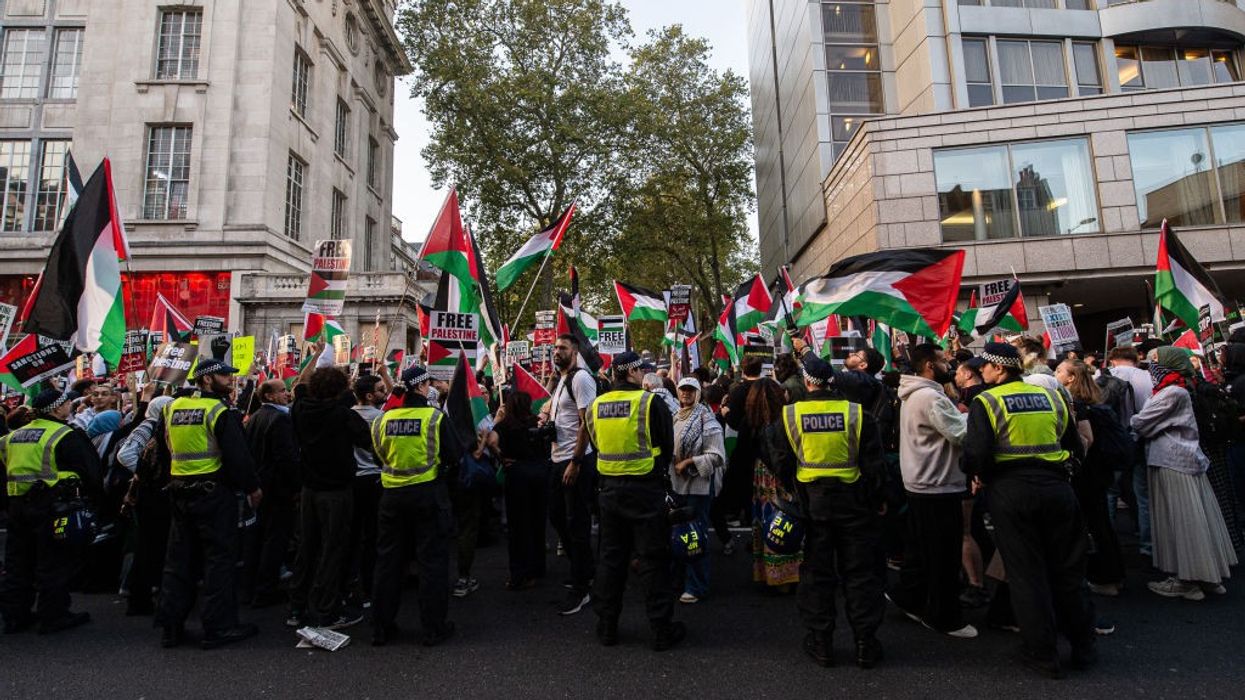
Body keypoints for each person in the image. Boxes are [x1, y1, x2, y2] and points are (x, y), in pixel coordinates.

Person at [963, 343, 1095, 678]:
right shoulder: (1053, 397)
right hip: (1057, 488)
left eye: (986, 368)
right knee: (1068, 571)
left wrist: (976, 473)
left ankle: (1043, 654)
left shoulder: (987, 401)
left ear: (1000, 369)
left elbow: (976, 454)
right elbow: (1073, 444)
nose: (983, 373)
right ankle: (1083, 647)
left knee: (1026, 574)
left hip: (1012, 491)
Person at [763, 353, 887, 669]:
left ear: (807, 382)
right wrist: (876, 500)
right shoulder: (857, 414)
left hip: (811, 507)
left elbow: (780, 462)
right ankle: (864, 643)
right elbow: (874, 466)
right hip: (855, 505)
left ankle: (822, 644)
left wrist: (796, 491)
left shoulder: (790, 416)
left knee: (818, 577)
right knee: (860, 575)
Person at [156, 359, 263, 649]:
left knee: (178, 561)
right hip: (213, 493)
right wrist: (252, 487)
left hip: (179, 491)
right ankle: (219, 627)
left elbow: (163, 450)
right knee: (219, 560)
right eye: (223, 376)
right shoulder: (219, 410)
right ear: (205, 380)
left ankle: (171, 626)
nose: (230, 380)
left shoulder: (171, 408)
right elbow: (237, 456)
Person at [585, 351, 682, 650]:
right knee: (653, 560)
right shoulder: (650, 402)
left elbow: (595, 444)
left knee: (611, 561)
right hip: (645, 491)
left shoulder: (595, 406)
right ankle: (661, 630)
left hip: (610, 492)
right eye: (641, 370)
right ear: (633, 372)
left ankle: (607, 627)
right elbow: (667, 446)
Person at [1132, 347, 1237, 600]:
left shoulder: (1172, 392)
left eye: (1156, 360)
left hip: (1173, 459)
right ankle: (1207, 576)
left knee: (1180, 520)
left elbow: (1140, 422)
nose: (1151, 365)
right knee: (1195, 518)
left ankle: (1187, 579)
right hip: (1184, 459)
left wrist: (1136, 422)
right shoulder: (1180, 388)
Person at [370, 365, 462, 647]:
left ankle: (381, 628)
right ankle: (433, 628)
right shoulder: (434, 418)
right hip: (427, 495)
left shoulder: (382, 420)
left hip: (392, 498)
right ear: (423, 387)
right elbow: (455, 455)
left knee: (388, 563)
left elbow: (378, 458)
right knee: (431, 563)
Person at [889, 344, 976, 639]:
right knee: (943, 556)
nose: (947, 363)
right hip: (937, 485)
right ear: (928, 365)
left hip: (922, 482)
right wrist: (980, 417)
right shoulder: (929, 397)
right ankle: (943, 616)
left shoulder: (917, 394)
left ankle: (910, 597)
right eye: (941, 360)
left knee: (922, 551)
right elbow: (961, 434)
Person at [1, 388, 102, 634]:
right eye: (67, 403)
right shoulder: (65, 435)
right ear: (57, 408)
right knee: (53, 561)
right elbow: (91, 472)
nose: (70, 406)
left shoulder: (12, 436)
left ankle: (16, 616)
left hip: (17, 506)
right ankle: (53, 615)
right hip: (52, 506)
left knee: (18, 562)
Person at [287, 358, 372, 630]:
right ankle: (327, 610)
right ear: (340, 390)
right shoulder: (343, 415)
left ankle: (297, 608)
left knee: (307, 549)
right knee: (333, 550)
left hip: (309, 488)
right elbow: (368, 441)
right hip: (337, 490)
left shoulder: (300, 408)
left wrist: (315, 356)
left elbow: (299, 384)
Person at [544, 333, 598, 616]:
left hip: (574, 460)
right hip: (557, 459)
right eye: (555, 347)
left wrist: (576, 461)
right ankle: (584, 569)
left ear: (574, 352)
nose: (556, 351)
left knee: (576, 523)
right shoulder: (562, 381)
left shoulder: (580, 379)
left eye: (562, 348)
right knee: (557, 516)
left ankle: (583, 589)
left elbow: (586, 423)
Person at [242, 379, 301, 608]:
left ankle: (252, 587)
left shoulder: (256, 417)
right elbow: (286, 458)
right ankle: (266, 589)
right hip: (277, 489)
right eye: (282, 391)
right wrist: (295, 486)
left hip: (261, 486)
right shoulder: (279, 419)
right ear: (268, 396)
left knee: (258, 538)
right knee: (275, 539)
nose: (287, 395)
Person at [116, 394, 175, 617]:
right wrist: (146, 475)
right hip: (150, 495)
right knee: (147, 544)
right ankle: (138, 594)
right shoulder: (148, 427)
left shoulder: (154, 426)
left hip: (150, 493)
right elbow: (126, 454)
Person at [670, 377, 726, 604]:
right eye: (682, 389)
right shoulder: (675, 416)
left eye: (691, 390)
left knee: (694, 537)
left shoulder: (706, 418)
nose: (686, 393)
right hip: (677, 486)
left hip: (698, 487)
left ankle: (696, 585)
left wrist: (689, 462)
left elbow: (717, 456)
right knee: (677, 535)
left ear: (698, 393)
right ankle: (679, 581)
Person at [490, 389, 552, 590]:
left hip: (517, 475)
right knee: (537, 522)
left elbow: (491, 441)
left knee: (518, 527)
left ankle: (519, 573)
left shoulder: (504, 426)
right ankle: (537, 568)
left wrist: (500, 457)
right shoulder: (537, 423)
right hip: (540, 474)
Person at [346, 368, 391, 608]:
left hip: (354, 479)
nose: (386, 392)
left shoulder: (347, 415)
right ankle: (369, 586)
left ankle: (352, 583)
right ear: (370, 396)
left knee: (354, 534)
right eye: (381, 389)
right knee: (373, 535)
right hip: (374, 479)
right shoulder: (380, 418)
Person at [1106, 346, 1154, 555]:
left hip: (1113, 442)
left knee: (1109, 492)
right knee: (1143, 495)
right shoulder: (1148, 377)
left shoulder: (1105, 375)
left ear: (1113, 359)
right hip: (1141, 439)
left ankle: (1108, 542)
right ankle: (1148, 545)